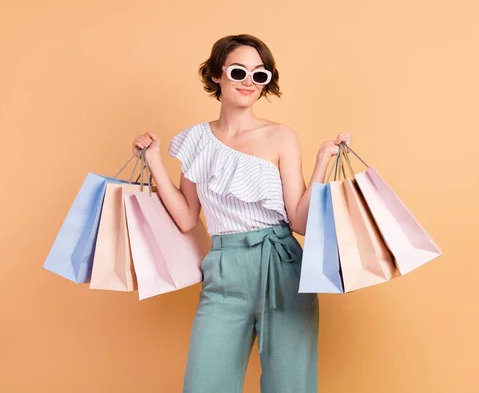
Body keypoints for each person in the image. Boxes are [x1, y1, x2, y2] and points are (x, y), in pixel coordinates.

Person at [132, 34, 350, 393]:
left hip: (282, 266)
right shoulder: (196, 141)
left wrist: (321, 164)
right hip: (223, 270)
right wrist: (155, 162)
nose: (249, 81)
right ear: (217, 75)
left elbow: (298, 221)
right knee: (205, 385)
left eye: (259, 75)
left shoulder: (281, 136)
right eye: (238, 71)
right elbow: (187, 218)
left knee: (289, 386)